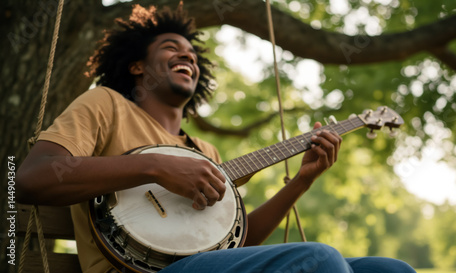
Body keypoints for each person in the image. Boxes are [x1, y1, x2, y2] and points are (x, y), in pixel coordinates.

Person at [17, 4, 416, 273]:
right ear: (137, 65)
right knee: (320, 259)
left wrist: (302, 180)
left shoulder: (204, 152)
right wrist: (155, 165)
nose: (187, 57)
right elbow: (30, 180)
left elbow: (237, 249)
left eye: (192, 54)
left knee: (390, 269)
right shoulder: (106, 105)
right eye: (171, 48)